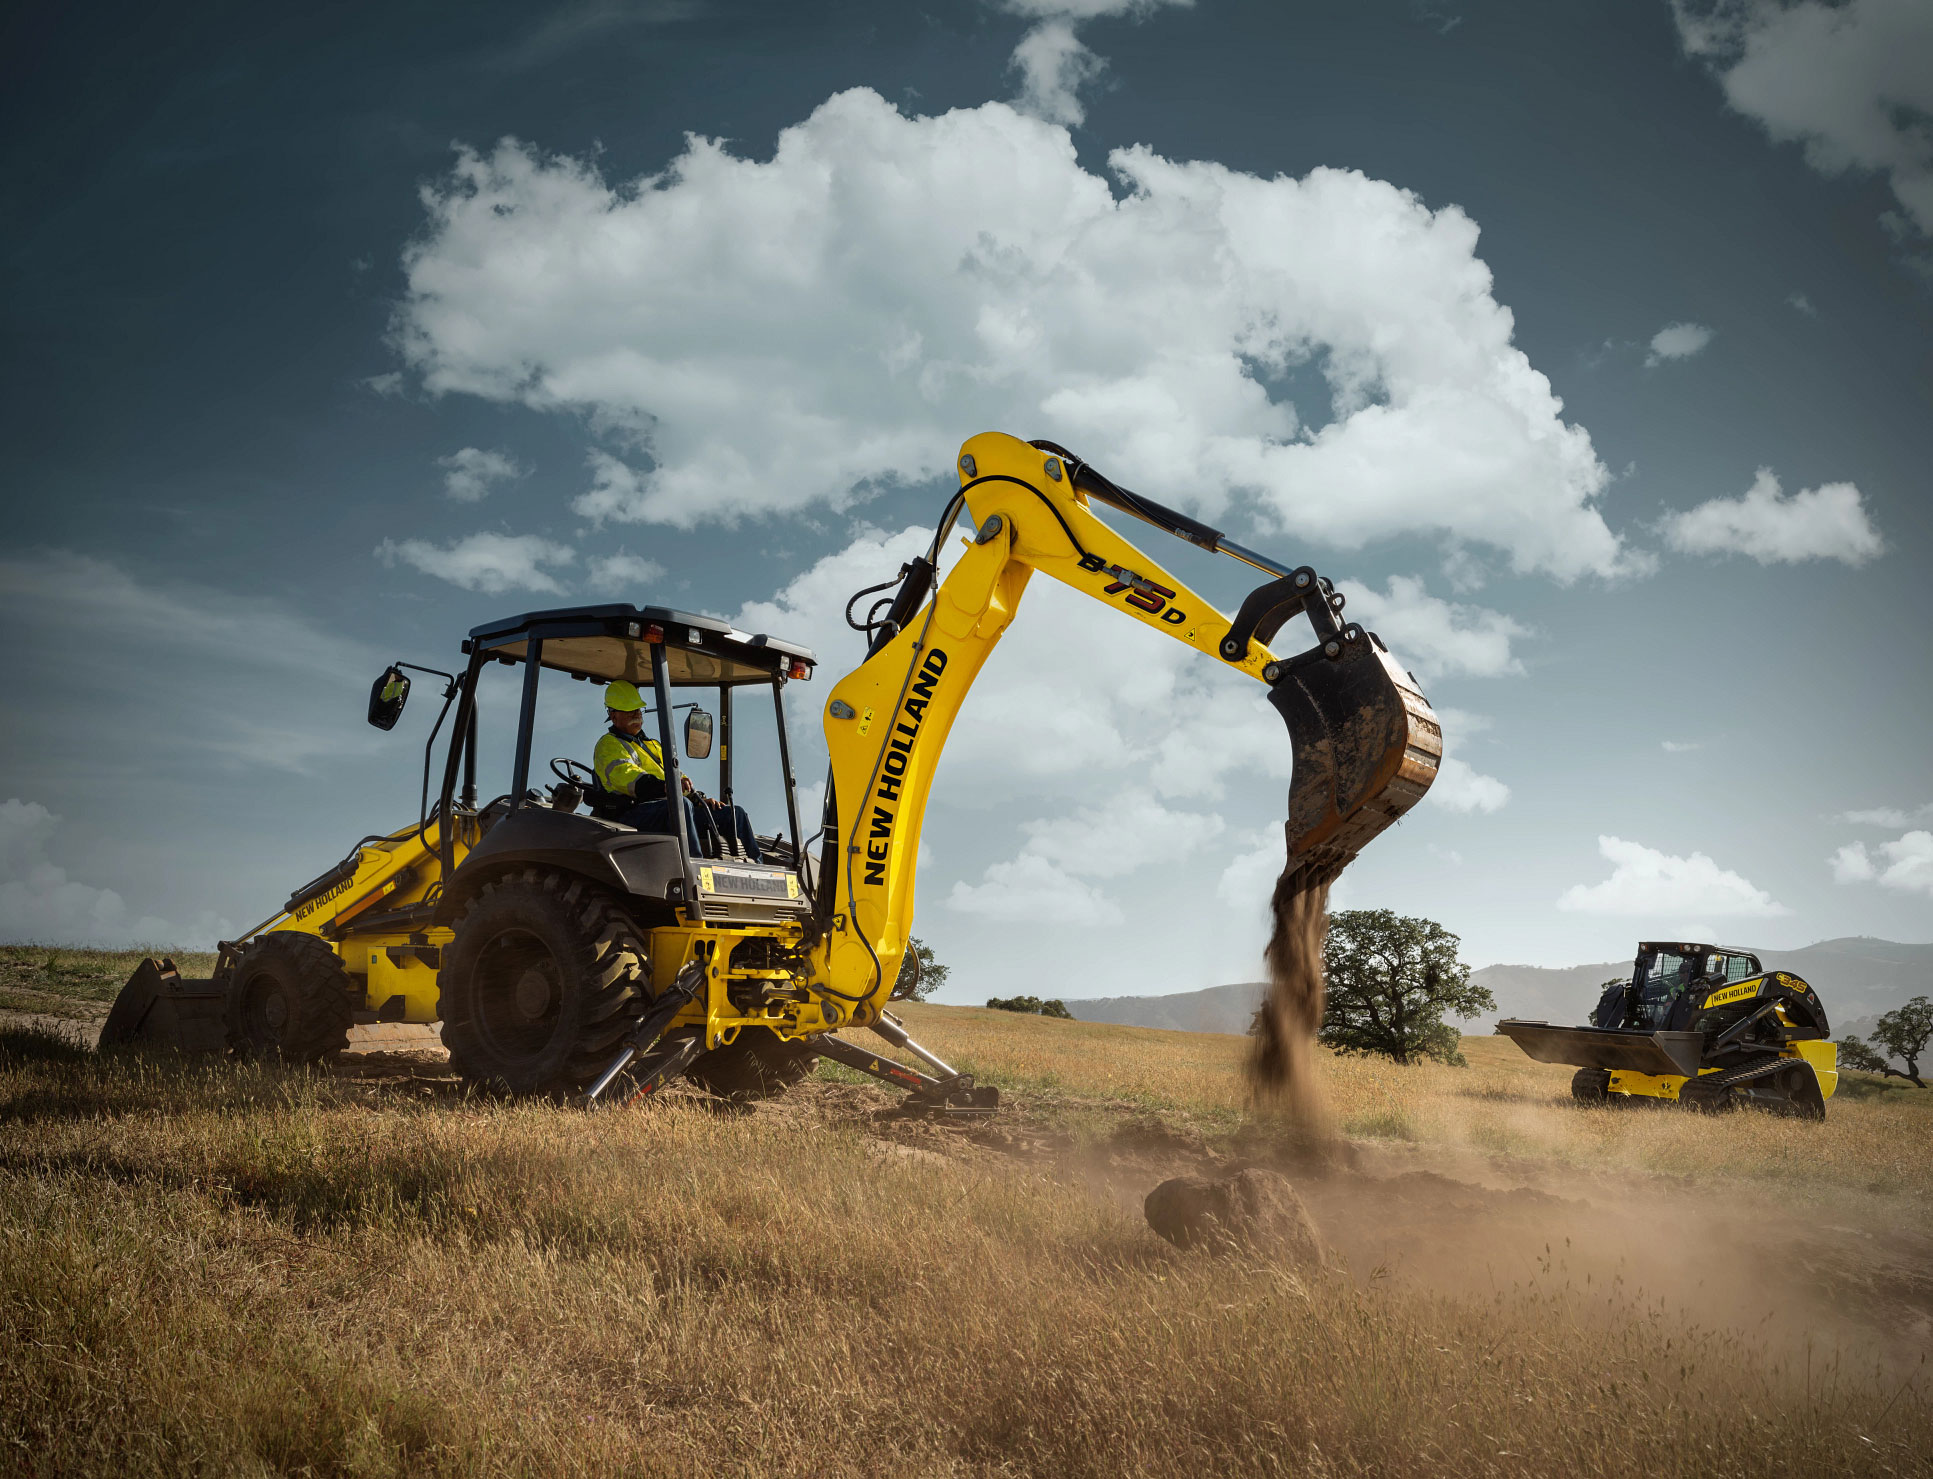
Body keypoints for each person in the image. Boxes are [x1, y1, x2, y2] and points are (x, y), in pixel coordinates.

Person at [592, 682, 762, 861]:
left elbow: (677, 776)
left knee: (733, 814)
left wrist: (699, 799)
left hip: (669, 808)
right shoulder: (608, 745)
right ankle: (694, 864)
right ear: (613, 715)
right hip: (632, 813)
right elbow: (629, 777)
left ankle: (759, 871)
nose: (636, 715)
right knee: (680, 806)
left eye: (638, 710)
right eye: (629, 710)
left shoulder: (653, 745)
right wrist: (667, 787)